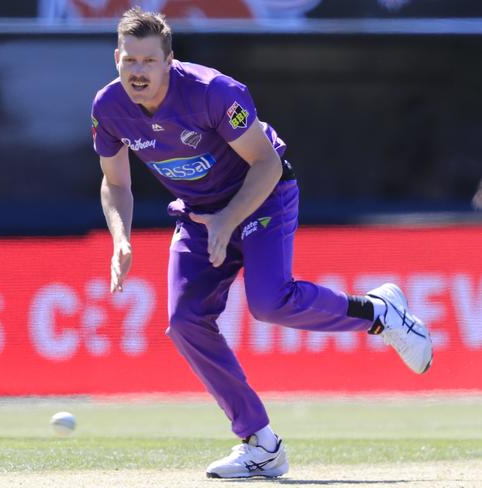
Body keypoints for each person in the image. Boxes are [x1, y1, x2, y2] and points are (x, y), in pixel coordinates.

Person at [91, 6, 433, 479]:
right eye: (129, 61)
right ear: (116, 60)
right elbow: (117, 184)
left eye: (148, 61)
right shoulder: (108, 108)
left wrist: (229, 221)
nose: (138, 71)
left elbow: (267, 164)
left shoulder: (214, 94)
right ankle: (260, 444)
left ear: (169, 61)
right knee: (184, 322)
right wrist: (120, 239)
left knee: (270, 303)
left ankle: (378, 313)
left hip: (262, 199)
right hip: (199, 217)